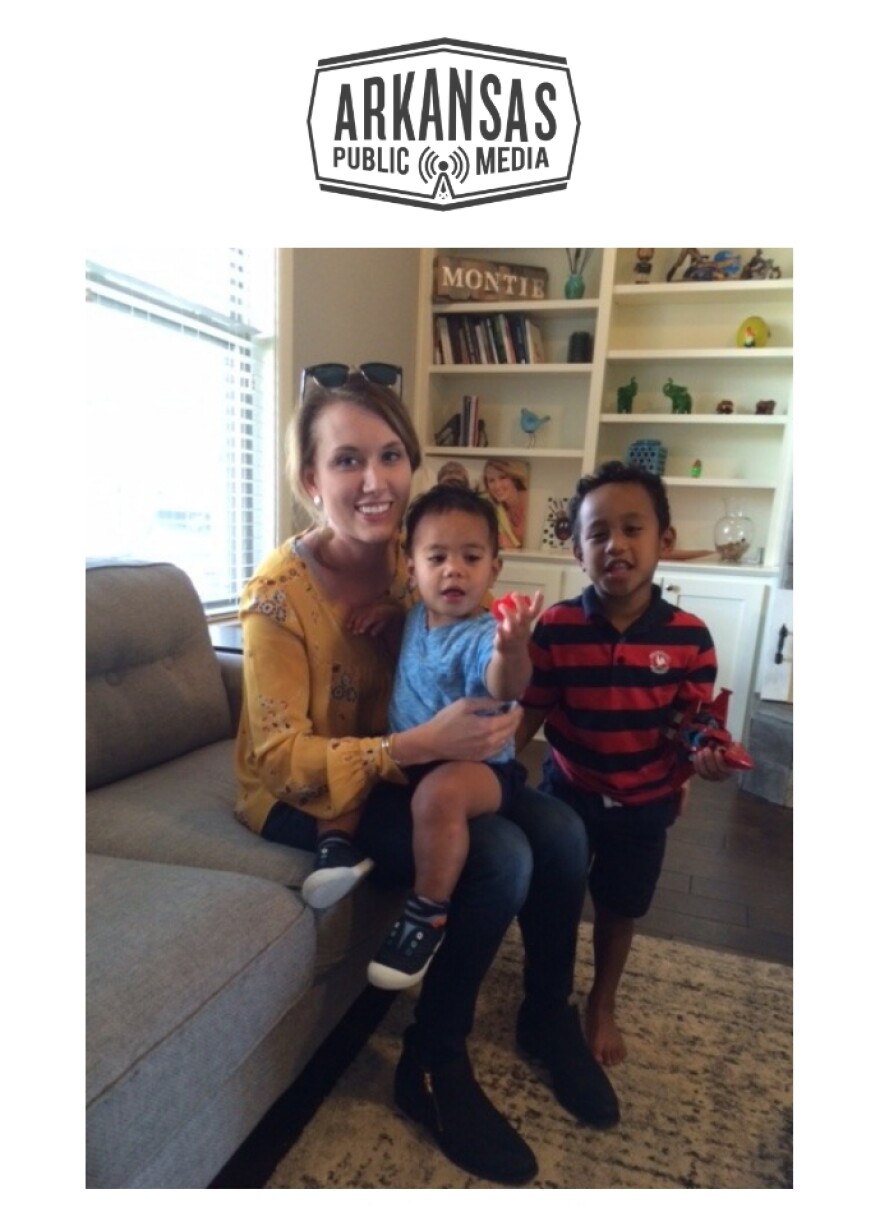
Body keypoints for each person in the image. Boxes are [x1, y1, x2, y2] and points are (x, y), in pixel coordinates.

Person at [234, 369, 619, 1186]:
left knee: (560, 828)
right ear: (310, 481)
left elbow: (475, 656)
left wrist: (496, 717)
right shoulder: (275, 599)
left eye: (390, 455)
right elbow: (277, 757)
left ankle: (545, 1014)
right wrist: (416, 747)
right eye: (345, 461)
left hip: (413, 772)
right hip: (311, 793)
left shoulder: (414, 568)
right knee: (501, 857)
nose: (372, 481)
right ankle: (432, 1066)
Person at [517, 461, 732, 1069]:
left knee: (621, 905)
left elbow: (692, 725)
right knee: (552, 896)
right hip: (567, 789)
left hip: (644, 802)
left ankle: (602, 1001)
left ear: (663, 540)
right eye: (598, 533)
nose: (617, 544)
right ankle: (546, 992)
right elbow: (529, 714)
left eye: (633, 528)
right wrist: (492, 769)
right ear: (577, 551)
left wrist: (703, 757)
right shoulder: (556, 628)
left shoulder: (692, 637)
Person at [356, 483, 542, 991]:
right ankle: (340, 852)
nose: (453, 570)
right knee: (360, 773)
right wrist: (391, 615)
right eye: (436, 557)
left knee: (440, 795)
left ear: (494, 568)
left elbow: (506, 683)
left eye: (471, 556)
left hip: (481, 771)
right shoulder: (416, 615)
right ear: (411, 569)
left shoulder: (485, 635)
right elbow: (411, 625)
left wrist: (513, 647)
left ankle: (427, 913)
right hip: (413, 761)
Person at [482, 458, 528, 549]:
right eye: (491, 480)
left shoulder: (533, 501)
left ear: (514, 479)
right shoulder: (496, 510)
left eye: (502, 477)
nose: (497, 486)